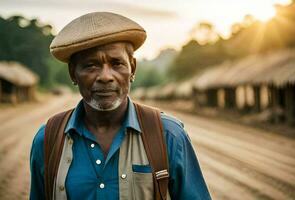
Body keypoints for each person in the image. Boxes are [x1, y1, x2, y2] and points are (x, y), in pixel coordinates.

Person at [29, 12, 211, 200]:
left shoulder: (169, 136)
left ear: (132, 68)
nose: (105, 76)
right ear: (73, 73)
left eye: (117, 63)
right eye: (91, 65)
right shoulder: (47, 140)